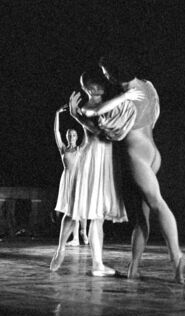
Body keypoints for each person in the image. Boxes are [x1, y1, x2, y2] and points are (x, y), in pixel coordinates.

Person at [69, 55, 185, 284]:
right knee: (142, 216)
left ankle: (177, 255)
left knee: (156, 204)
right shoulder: (149, 87)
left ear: (113, 75)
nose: (104, 76)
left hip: (137, 157)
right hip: (153, 152)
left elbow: (105, 131)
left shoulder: (122, 104)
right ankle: (134, 268)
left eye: (105, 73)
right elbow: (154, 114)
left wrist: (79, 117)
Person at [50, 72, 143, 276]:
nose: (99, 88)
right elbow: (96, 123)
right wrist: (124, 97)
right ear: (88, 89)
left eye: (100, 84)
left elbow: (110, 122)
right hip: (90, 160)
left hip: (105, 162)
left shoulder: (106, 104)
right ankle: (61, 248)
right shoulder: (87, 107)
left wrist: (125, 104)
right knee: (76, 209)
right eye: (94, 86)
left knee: (97, 215)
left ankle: (98, 264)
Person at [54, 105, 88, 246]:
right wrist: (57, 114)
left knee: (80, 207)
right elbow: (56, 131)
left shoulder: (80, 148)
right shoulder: (63, 148)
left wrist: (81, 118)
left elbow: (87, 135)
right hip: (67, 179)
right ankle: (75, 238)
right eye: (69, 135)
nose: (71, 137)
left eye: (73, 135)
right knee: (71, 208)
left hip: (78, 179)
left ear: (76, 137)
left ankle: (83, 232)